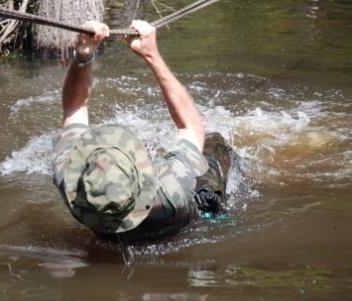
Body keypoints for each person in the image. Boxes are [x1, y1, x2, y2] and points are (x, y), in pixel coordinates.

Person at [53, 20, 232, 242]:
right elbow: (191, 128)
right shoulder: (169, 192)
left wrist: (83, 56)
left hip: (117, 232)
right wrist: (152, 55)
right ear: (143, 178)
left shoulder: (71, 183)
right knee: (214, 144)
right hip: (186, 220)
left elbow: (73, 109)